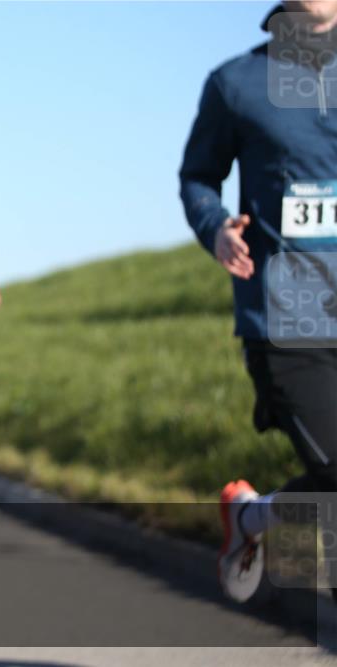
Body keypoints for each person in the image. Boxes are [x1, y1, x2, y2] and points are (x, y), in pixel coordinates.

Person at [179, 1, 337, 604]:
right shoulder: (236, 83)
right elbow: (198, 177)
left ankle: (251, 518)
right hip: (285, 320)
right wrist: (215, 224)